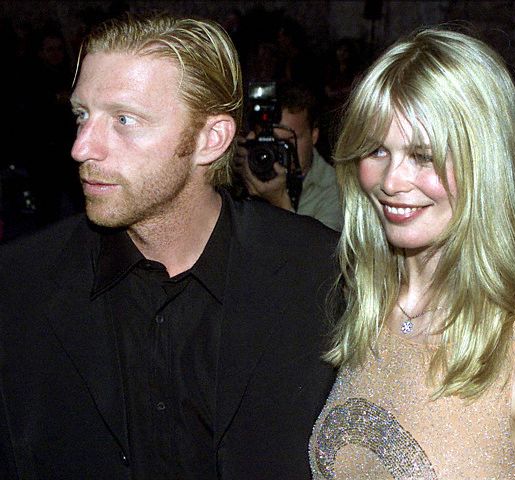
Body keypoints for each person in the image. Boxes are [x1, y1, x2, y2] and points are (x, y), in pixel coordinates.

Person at [0, 14, 338, 479]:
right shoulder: (21, 285)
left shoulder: (319, 273)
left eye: (124, 120)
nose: (82, 147)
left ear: (210, 140)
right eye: (82, 115)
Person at [309, 28, 515, 479]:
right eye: (377, 150)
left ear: (484, 166)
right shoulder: (360, 304)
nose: (391, 181)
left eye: (423, 156)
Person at [234, 83, 343, 231]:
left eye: (288, 141)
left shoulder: (335, 190)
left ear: (314, 136)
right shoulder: (242, 173)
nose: (277, 150)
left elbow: (318, 246)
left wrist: (280, 202)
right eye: (271, 140)